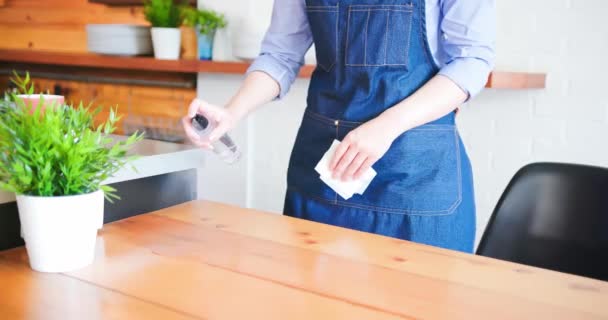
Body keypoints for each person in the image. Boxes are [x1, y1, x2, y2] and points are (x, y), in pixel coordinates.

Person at [183, 0, 495, 253]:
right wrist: (232, 112)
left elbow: (472, 61)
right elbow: (280, 55)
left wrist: (386, 126)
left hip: (416, 180)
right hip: (325, 177)